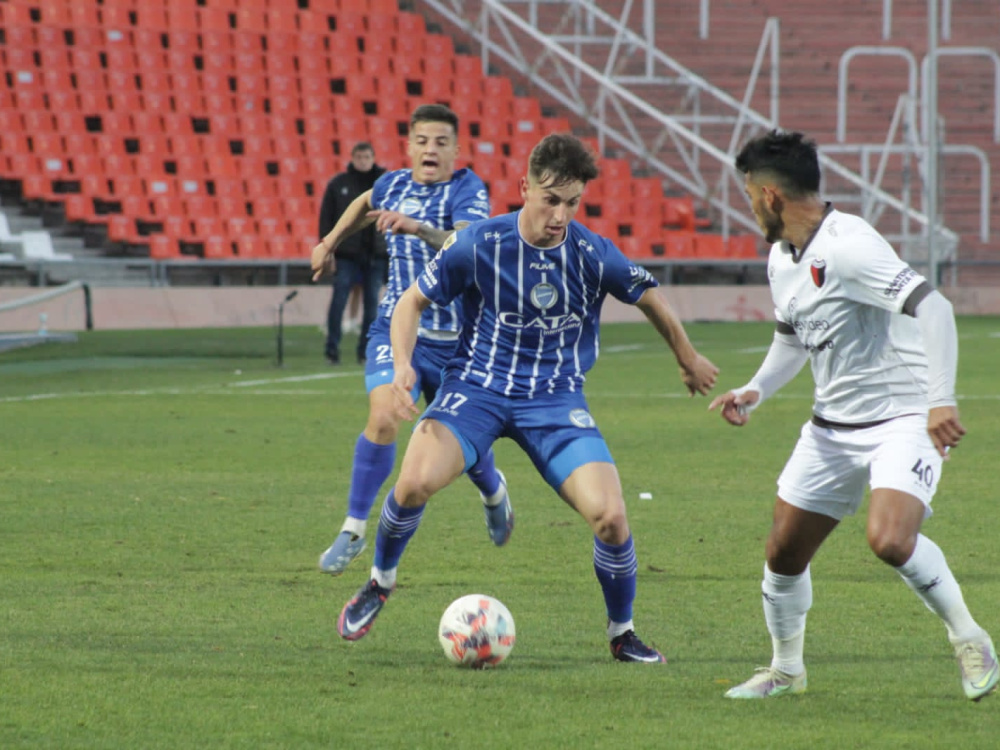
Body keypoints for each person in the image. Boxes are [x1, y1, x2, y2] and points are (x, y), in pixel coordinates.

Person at [334, 133, 719, 662]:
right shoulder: (479, 243)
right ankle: (380, 582)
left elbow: (646, 291)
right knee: (414, 482)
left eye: (572, 203)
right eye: (550, 199)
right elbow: (410, 303)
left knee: (611, 518)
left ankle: (622, 632)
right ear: (524, 189)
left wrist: (687, 356)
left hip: (555, 400)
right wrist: (403, 366)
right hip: (476, 390)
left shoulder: (589, 251)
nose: (560, 214)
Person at [709, 130, 997, 701]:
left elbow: (933, 306)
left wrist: (942, 398)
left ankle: (970, 638)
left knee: (889, 539)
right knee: (783, 553)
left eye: (747, 196)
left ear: (770, 196)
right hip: (831, 427)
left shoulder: (849, 245)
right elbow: (792, 338)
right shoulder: (781, 257)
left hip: (903, 418)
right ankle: (786, 670)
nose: (747, 208)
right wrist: (756, 390)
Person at [311, 104, 513, 575]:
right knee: (383, 415)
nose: (431, 149)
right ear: (408, 146)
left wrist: (417, 227)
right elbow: (365, 203)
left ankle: (493, 490)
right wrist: (329, 242)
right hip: (397, 330)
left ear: (456, 150)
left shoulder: (467, 190)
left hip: (458, 341)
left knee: (460, 447)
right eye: (422, 140)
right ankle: (354, 528)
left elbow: (466, 243)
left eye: (442, 142)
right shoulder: (393, 184)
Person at [318, 142, 387, 365]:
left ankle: (365, 352)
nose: (363, 161)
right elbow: (327, 218)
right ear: (352, 158)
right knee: (338, 301)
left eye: (367, 157)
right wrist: (327, 249)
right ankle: (332, 350)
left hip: (375, 255)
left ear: (373, 157)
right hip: (347, 254)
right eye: (359, 157)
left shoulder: (384, 183)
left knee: (371, 306)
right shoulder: (339, 184)